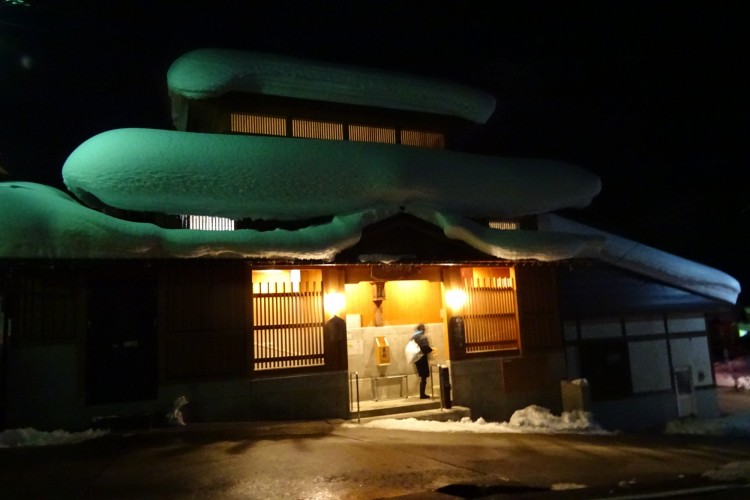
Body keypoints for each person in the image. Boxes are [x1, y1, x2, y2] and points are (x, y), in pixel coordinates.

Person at [412, 323, 434, 399]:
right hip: (422, 359)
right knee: (424, 377)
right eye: (424, 328)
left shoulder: (414, 337)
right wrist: (431, 350)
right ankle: (422, 394)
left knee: (422, 376)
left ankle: (422, 393)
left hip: (416, 359)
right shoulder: (422, 337)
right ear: (422, 329)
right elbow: (425, 347)